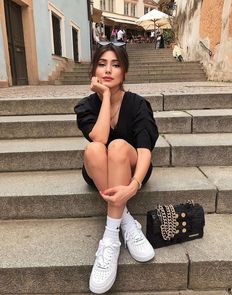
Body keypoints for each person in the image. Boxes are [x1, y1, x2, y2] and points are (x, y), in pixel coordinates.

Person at [74, 42, 159, 294]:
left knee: (120, 146)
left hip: (132, 168)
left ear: (125, 72)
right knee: (94, 149)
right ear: (94, 71)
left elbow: (144, 149)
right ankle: (126, 223)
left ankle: (110, 237)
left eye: (116, 65)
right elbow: (98, 138)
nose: (108, 70)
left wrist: (133, 187)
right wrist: (107, 97)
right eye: (102, 64)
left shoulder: (138, 104)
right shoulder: (85, 106)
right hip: (98, 169)